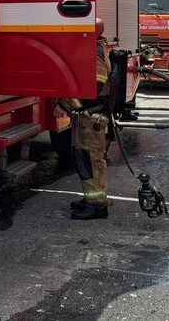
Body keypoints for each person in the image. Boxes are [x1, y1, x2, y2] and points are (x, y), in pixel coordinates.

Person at [68, 17, 112, 220]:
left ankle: (96, 206)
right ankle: (92, 199)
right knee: (86, 160)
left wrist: (66, 102)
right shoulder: (95, 49)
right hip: (87, 118)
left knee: (91, 161)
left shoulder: (95, 53)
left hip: (90, 118)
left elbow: (95, 87)